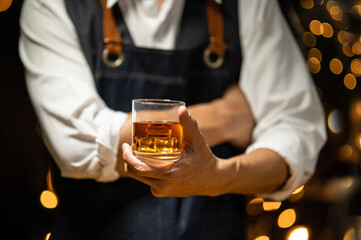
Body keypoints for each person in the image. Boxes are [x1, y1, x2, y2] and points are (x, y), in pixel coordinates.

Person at [20, 0, 325, 239]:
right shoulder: (52, 4)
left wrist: (220, 175)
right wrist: (229, 116)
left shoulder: (248, 3)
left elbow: (296, 134)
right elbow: (78, 146)